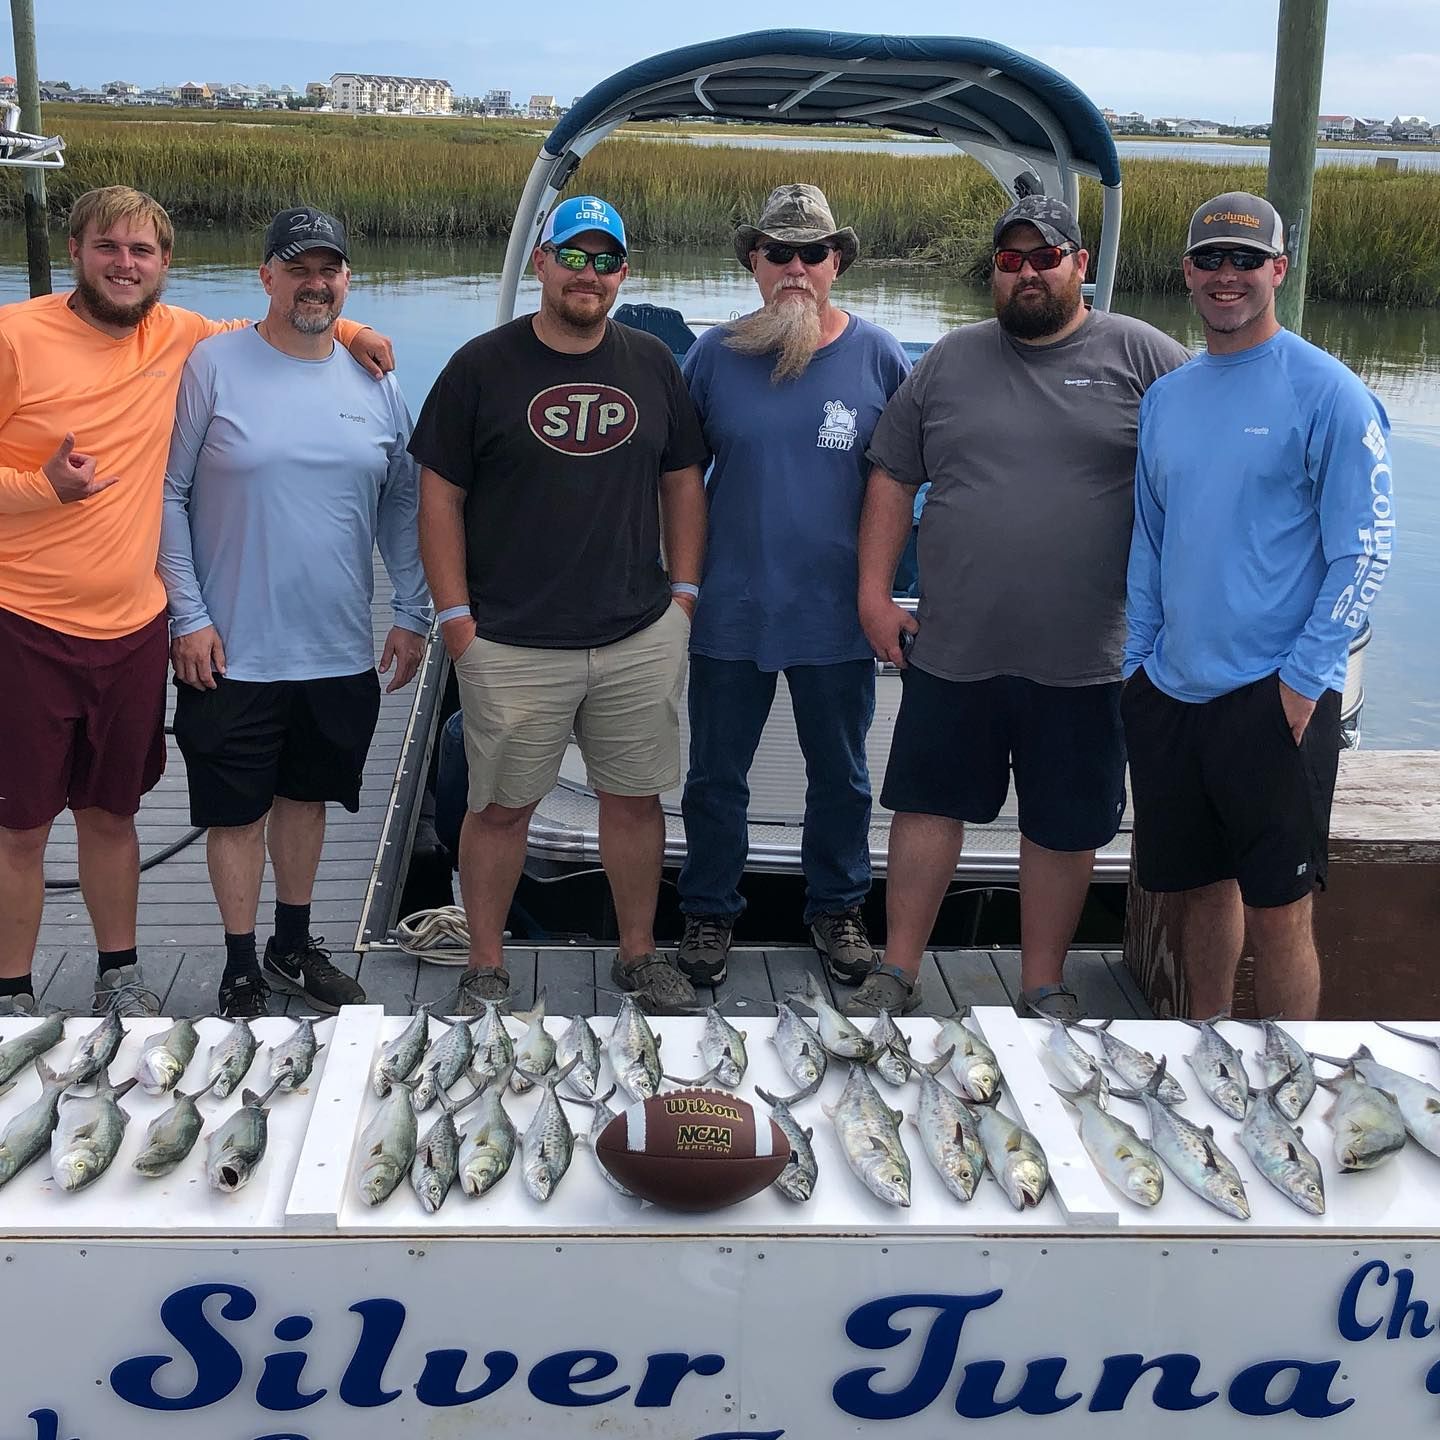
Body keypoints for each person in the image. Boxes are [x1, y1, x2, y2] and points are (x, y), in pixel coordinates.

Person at [0, 186, 393, 1020]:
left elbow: (289, 334)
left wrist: (354, 331)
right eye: (109, 247)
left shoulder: (178, 335)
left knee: (112, 813)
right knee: (20, 825)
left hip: (132, 625)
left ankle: (121, 975)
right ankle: (11, 993)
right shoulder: (15, 335)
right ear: (74, 250)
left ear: (165, 267)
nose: (125, 264)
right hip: (24, 619)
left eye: (142, 252)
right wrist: (41, 488)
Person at [856, 195, 1192, 1018]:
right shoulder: (948, 360)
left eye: (1045, 257)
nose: (1028, 272)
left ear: (1080, 263)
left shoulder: (1145, 355)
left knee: (1065, 826)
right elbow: (893, 474)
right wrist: (871, 594)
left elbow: (1207, 465)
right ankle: (897, 972)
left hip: (1088, 655)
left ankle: (1043, 982)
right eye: (1010, 261)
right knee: (928, 807)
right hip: (952, 644)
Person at [411, 195, 708, 1015]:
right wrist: (455, 620)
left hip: (635, 631)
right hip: (508, 639)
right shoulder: (479, 366)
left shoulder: (653, 362)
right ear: (541, 262)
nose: (588, 274)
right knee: (498, 806)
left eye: (604, 259)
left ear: (622, 273)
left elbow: (683, 480)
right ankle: (485, 962)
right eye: (572, 257)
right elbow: (437, 496)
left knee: (636, 800)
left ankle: (640, 954)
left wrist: (683, 595)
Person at [1123, 191, 1394, 1021]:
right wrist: (1137, 666)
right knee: (1201, 895)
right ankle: (1208, 1052)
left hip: (1276, 696)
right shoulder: (1169, 397)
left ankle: (1292, 1085)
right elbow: (1150, 542)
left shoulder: (1332, 394)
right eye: (1210, 259)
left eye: (1246, 260)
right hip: (1172, 692)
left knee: (1282, 911)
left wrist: (1306, 680)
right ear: (1188, 273)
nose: (1226, 275)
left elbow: (1366, 550)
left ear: (1279, 269)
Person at [159, 207, 430, 1019]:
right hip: (231, 647)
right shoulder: (214, 364)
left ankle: (292, 944)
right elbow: (169, 496)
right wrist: (187, 615)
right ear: (266, 276)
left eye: (330, 270)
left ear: (347, 279)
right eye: (298, 268)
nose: (316, 283)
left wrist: (413, 610)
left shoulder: (377, 382)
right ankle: (240, 962)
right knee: (235, 813)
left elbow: (403, 502)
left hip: (336, 646)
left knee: (305, 803)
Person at [675, 184, 910, 989]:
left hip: (838, 613)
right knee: (713, 775)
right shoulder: (710, 356)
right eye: (780, 253)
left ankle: (838, 906)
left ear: (837, 262)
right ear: (754, 264)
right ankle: (707, 908)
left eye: (814, 253)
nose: (797, 268)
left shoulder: (880, 357)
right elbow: (669, 478)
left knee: (841, 776)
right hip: (728, 609)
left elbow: (916, 478)